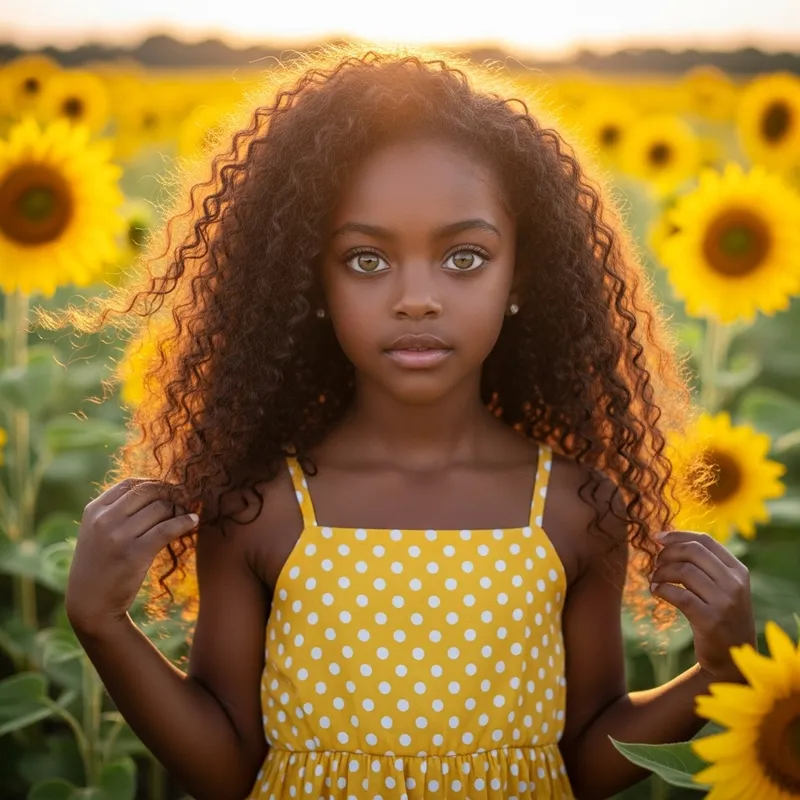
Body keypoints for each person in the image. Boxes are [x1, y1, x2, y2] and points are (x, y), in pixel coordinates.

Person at [59, 46, 757, 800]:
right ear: (312, 278)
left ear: (520, 274)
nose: (416, 298)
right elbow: (228, 771)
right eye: (366, 260)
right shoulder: (260, 508)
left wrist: (719, 671)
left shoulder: (576, 510)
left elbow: (586, 762)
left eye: (464, 258)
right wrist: (102, 622)